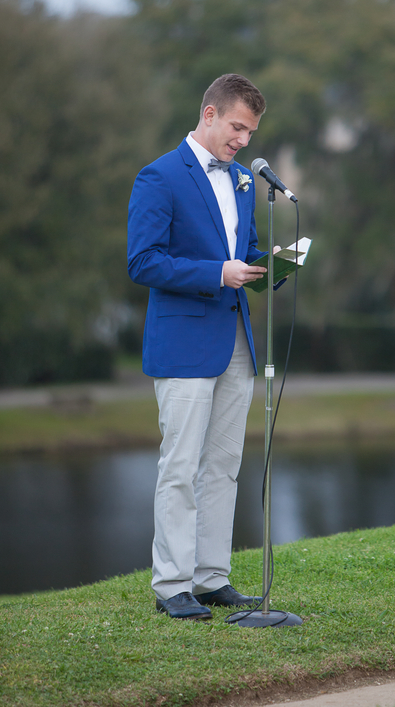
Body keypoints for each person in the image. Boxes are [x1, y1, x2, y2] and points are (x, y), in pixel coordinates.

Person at [127, 73, 269, 620]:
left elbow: (245, 251)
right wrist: (218, 273)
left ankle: (212, 578)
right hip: (184, 341)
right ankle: (172, 586)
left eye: (251, 133)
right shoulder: (158, 176)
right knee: (180, 465)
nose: (243, 141)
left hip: (236, 338)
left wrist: (270, 266)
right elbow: (144, 262)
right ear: (209, 115)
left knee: (224, 464)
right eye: (238, 128)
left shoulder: (241, 181)